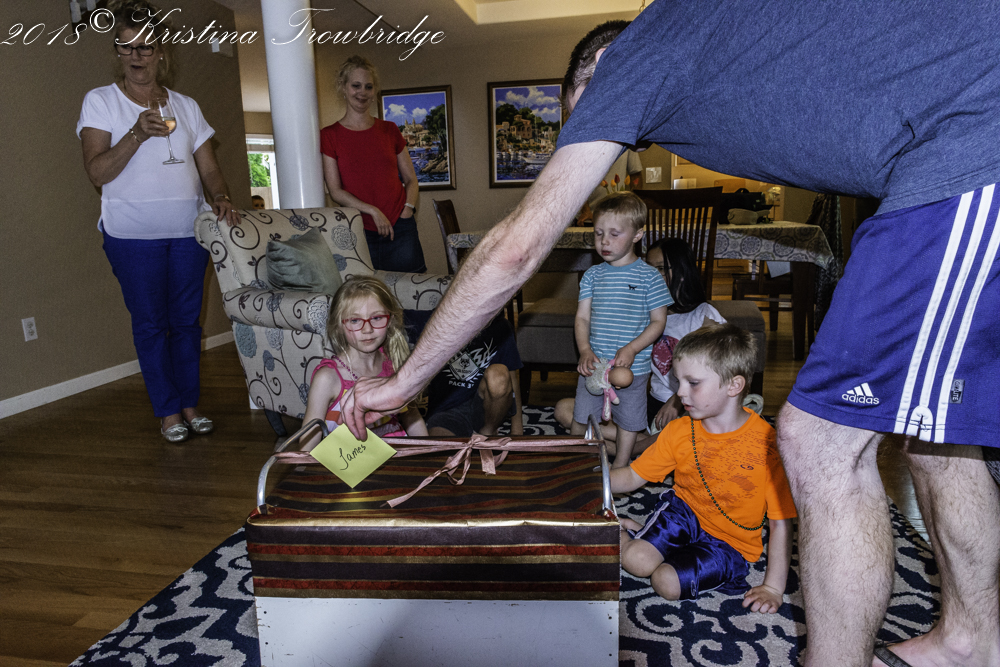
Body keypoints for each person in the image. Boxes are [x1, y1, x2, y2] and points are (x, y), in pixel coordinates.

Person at [344, 11, 1000, 667]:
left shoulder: (633, 57)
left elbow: (516, 248)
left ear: (596, 71)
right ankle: (970, 641)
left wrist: (404, 382)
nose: (607, 143)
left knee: (819, 439)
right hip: (954, 144)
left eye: (581, 116)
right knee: (936, 437)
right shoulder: (702, 38)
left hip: (967, 144)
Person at [78, 0, 240, 444]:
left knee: (187, 323)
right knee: (151, 325)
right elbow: (97, 173)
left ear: (161, 52)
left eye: (145, 46)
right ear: (117, 51)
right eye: (126, 46)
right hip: (132, 237)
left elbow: (209, 168)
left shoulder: (186, 106)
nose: (136, 55)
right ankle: (168, 413)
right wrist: (136, 133)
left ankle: (190, 405)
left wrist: (221, 197)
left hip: (189, 234)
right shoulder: (100, 101)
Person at [611, 323, 796, 611]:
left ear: (734, 385)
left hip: (729, 542)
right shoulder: (679, 431)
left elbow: (780, 521)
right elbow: (633, 476)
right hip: (683, 513)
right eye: (678, 381)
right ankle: (634, 535)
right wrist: (590, 482)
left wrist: (773, 587)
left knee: (666, 583)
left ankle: (646, 534)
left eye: (693, 383)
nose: (680, 393)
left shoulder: (768, 447)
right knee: (636, 561)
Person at [555, 237, 726, 446]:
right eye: (650, 267)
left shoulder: (703, 315)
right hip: (652, 405)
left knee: (696, 432)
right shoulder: (642, 317)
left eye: (661, 268)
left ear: (682, 272)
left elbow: (722, 371)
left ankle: (636, 446)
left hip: (688, 406)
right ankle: (649, 447)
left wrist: (676, 402)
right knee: (565, 410)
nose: (653, 274)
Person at [569, 192, 670, 468]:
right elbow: (582, 318)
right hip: (595, 363)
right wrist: (584, 349)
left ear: (637, 235)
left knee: (630, 418)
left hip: (633, 366)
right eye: (598, 233)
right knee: (581, 413)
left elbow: (658, 322)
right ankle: (574, 459)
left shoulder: (650, 277)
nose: (604, 241)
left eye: (614, 234)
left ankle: (621, 465)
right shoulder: (592, 275)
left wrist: (632, 348)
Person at [321, 55, 426, 273]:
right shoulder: (330, 135)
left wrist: (407, 210)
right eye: (356, 85)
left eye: (368, 87)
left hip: (400, 228)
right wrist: (373, 211)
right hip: (359, 230)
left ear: (374, 90)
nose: (363, 92)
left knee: (414, 291)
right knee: (367, 293)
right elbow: (335, 191)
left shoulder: (390, 130)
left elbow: (411, 179)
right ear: (343, 87)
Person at [302, 277, 426, 448]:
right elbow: (308, 441)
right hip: (348, 459)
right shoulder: (328, 378)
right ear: (339, 325)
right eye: (355, 320)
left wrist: (429, 454)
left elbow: (411, 417)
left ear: (390, 320)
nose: (367, 329)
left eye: (377, 318)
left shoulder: (394, 364)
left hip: (397, 454)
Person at [405, 309, 523, 438]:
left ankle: (489, 431)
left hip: (484, 405)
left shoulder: (501, 327)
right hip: (448, 409)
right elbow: (396, 315)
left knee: (499, 374)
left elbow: (512, 376)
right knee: (441, 446)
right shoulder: (434, 321)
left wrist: (517, 431)